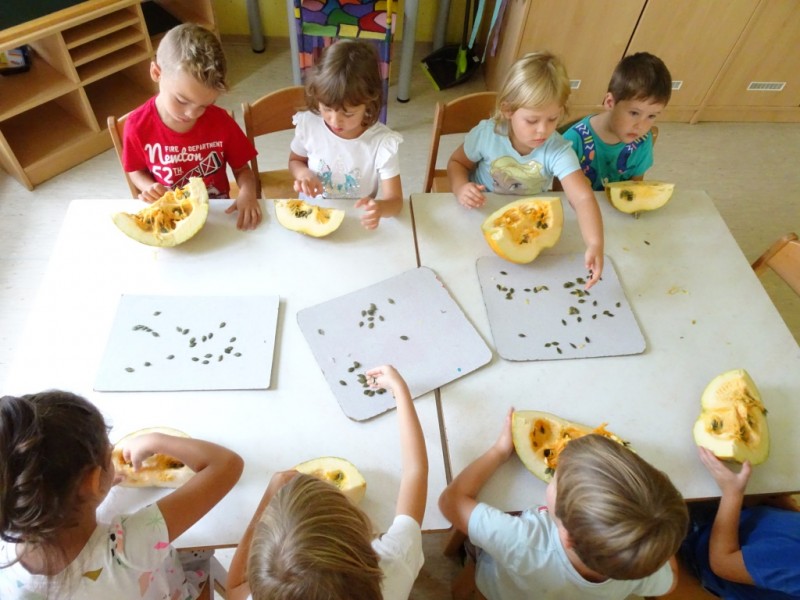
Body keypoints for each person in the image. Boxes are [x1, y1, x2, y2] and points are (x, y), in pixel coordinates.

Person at [0, 390, 244, 599]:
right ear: (92, 481)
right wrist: (156, 441)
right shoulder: (128, 546)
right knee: (198, 551)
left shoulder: (7, 548)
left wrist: (86, 497)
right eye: (108, 452)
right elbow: (226, 464)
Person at [439, 410, 689, 600]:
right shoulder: (639, 569)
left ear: (567, 536)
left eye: (556, 478)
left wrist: (498, 452)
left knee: (476, 548)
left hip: (500, 589)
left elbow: (451, 501)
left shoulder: (522, 540)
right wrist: (654, 531)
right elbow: (672, 582)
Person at [227, 364, 428, 600]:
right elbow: (415, 471)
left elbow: (234, 589)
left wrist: (270, 494)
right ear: (361, 530)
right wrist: (400, 391)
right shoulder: (396, 560)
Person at [447, 51, 604, 288]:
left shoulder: (558, 149)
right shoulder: (487, 134)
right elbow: (457, 163)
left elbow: (582, 198)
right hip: (480, 211)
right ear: (508, 110)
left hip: (528, 221)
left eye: (552, 119)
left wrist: (595, 243)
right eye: (532, 121)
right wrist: (461, 187)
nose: (543, 130)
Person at [122, 23, 261, 230]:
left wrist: (248, 193)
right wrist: (148, 187)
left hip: (215, 212)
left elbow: (243, 170)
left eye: (205, 105)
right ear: (156, 73)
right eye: (182, 100)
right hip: (170, 212)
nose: (192, 114)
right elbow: (135, 170)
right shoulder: (136, 125)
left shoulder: (221, 122)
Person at [289, 40, 404, 230]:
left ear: (369, 102)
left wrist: (380, 208)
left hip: (357, 222)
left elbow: (396, 201)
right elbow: (295, 160)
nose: (335, 121)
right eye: (327, 109)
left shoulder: (382, 143)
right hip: (313, 213)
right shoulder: (309, 125)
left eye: (348, 114)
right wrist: (304, 174)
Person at [679, 446, 800, 598]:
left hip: (702, 543)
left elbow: (722, 564)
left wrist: (732, 492)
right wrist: (789, 509)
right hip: (743, 515)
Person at [562, 52, 672, 191]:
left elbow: (635, 189)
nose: (641, 126)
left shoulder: (643, 141)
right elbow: (561, 194)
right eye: (634, 113)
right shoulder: (572, 141)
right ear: (610, 102)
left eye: (651, 116)